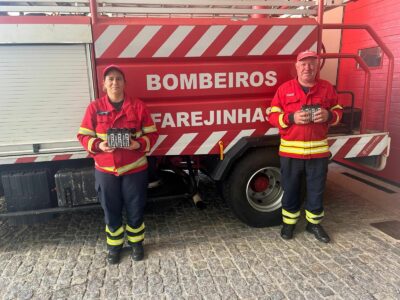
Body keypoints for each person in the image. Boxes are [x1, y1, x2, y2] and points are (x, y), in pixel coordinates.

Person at [77, 65, 159, 264]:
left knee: (135, 208)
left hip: (135, 169)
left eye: (119, 79)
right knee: (110, 209)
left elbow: (152, 133)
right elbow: (83, 135)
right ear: (104, 85)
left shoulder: (138, 106)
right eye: (110, 79)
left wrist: (137, 143)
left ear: (125, 83)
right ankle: (114, 247)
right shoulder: (94, 108)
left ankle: (136, 244)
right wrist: (99, 145)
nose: (115, 82)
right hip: (106, 171)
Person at [268, 50, 343, 243]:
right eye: (303, 64)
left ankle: (314, 224)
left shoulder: (327, 88)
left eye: (311, 63)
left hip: (318, 153)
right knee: (290, 189)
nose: (307, 67)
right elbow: (272, 115)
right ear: (296, 66)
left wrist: (329, 116)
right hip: (291, 153)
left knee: (316, 190)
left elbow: (338, 110)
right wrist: (290, 118)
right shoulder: (284, 89)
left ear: (317, 66)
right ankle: (289, 224)